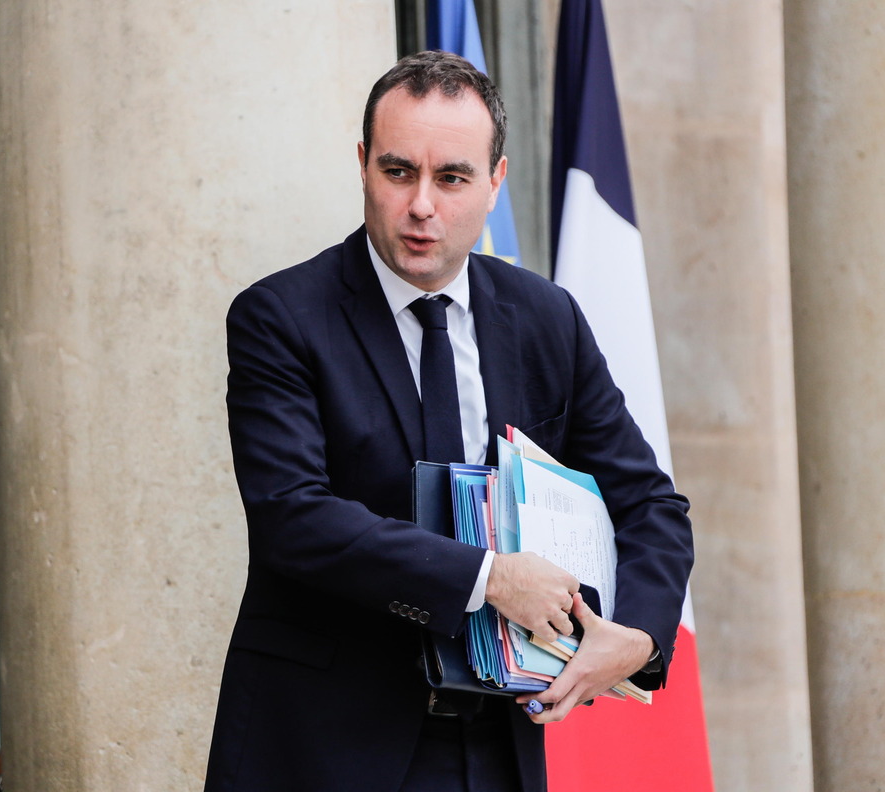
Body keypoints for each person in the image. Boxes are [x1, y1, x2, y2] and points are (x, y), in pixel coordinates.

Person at [204, 51, 693, 792]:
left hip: (501, 745)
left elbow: (650, 503)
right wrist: (490, 579)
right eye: (399, 172)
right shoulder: (279, 318)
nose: (422, 205)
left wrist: (639, 636)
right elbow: (292, 518)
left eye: (453, 177)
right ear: (363, 165)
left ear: (496, 182)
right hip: (323, 747)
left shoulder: (547, 318)